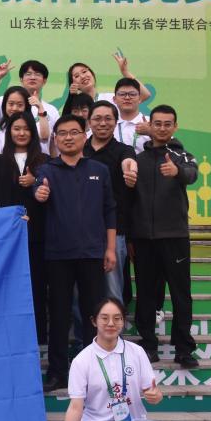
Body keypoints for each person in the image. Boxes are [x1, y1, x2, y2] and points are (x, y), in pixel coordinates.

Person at [34, 114, 117, 392]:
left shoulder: (99, 170)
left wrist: (110, 248)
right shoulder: (47, 170)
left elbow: (109, 210)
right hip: (58, 254)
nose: (68, 138)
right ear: (55, 138)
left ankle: (95, 371)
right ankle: (58, 372)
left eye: (74, 132)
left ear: (85, 135)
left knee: (94, 313)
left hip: (92, 253)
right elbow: (38, 192)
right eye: (62, 133)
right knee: (59, 315)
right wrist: (39, 194)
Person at [125, 105, 199, 369]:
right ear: (150, 126)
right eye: (157, 123)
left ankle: (184, 349)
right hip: (144, 239)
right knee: (145, 294)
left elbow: (192, 175)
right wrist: (131, 237)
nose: (162, 128)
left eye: (168, 124)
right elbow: (130, 201)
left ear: (175, 127)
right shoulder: (138, 160)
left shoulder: (183, 156)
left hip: (175, 237)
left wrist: (177, 172)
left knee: (181, 294)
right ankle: (148, 345)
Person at [0, 112, 47, 341]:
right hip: (7, 236)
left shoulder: (43, 160)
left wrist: (35, 182)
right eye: (16, 128)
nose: (21, 133)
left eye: (26, 128)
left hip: (37, 235)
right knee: (9, 285)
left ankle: (39, 335)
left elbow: (51, 192)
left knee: (36, 284)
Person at [84, 101, 136, 304]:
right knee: (81, 289)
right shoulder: (79, 150)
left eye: (108, 119)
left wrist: (130, 171)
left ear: (116, 122)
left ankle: (114, 325)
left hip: (114, 230)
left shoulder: (124, 151)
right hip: (81, 231)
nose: (102, 123)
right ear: (89, 122)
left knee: (113, 288)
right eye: (97, 118)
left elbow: (129, 163)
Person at [0, 60, 58, 147]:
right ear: (21, 79)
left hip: (39, 155)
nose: (32, 77)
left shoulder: (52, 110)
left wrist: (40, 110)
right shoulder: (7, 100)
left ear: (44, 81)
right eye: (28, 74)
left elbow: (49, 139)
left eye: (37, 74)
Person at [67, 52, 151, 104]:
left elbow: (145, 95)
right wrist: (72, 96)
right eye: (77, 76)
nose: (82, 76)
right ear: (72, 84)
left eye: (84, 71)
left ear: (92, 74)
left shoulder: (111, 98)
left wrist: (125, 72)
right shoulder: (76, 106)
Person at [113, 77, 151, 154]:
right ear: (114, 99)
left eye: (132, 94)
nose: (127, 97)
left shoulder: (151, 122)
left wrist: (152, 133)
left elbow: (169, 146)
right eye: (122, 94)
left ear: (140, 98)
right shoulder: (107, 124)